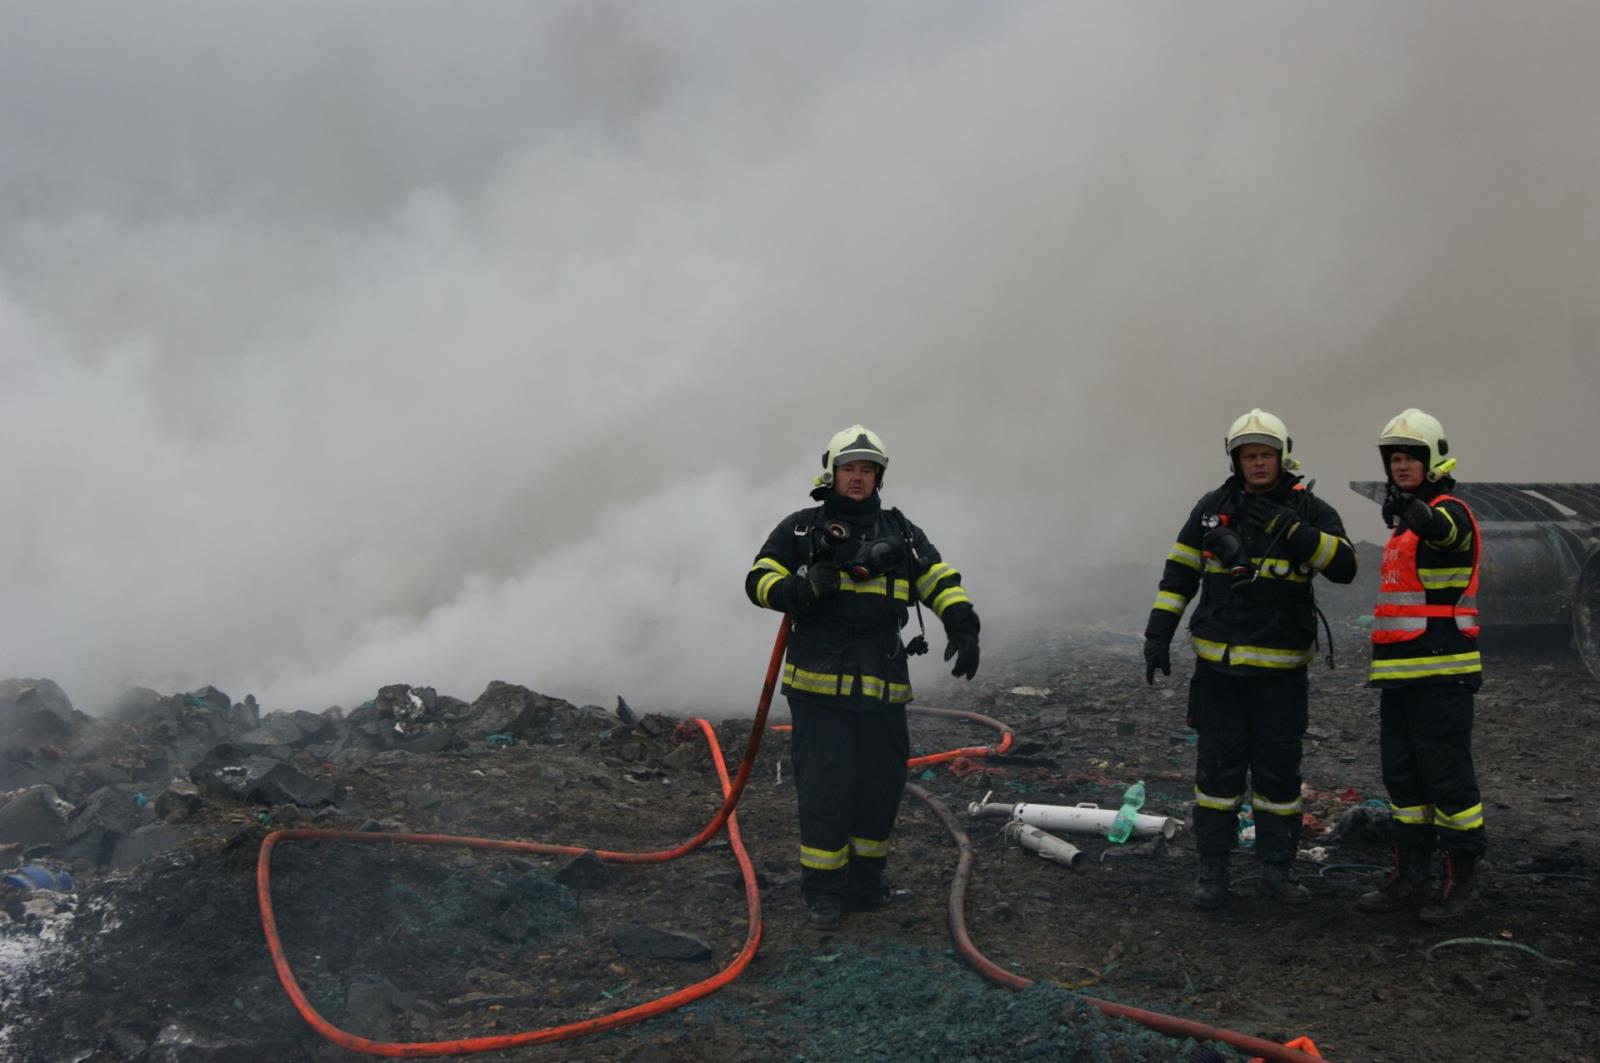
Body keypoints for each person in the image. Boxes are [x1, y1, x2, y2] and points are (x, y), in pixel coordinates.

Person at [746, 425, 979, 930]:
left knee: (880, 785)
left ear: (878, 477)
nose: (858, 478)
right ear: (832, 471)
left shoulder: (901, 532)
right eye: (850, 468)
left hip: (884, 682)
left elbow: (937, 578)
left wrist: (961, 622)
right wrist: (801, 587)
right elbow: (758, 579)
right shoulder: (803, 529)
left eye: (867, 470)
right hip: (818, 686)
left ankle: (867, 884)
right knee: (825, 789)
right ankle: (825, 893)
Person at [1143, 409, 1357, 910]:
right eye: (1248, 456)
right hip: (1220, 671)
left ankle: (1277, 870)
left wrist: (1297, 533)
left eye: (1265, 455)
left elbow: (1346, 567)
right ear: (1235, 460)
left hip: (1282, 675)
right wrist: (1158, 634)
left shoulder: (1310, 509)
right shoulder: (1210, 509)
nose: (1257, 464)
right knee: (1216, 776)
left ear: (1282, 456)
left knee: (1279, 777)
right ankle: (1212, 872)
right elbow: (1178, 576)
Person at [1356, 408, 1485, 924]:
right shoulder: (1402, 525)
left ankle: (1461, 884)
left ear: (1433, 461)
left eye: (1410, 457)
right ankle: (1409, 879)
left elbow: (1446, 531)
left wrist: (1420, 513)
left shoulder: (1448, 511)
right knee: (1404, 785)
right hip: (1400, 676)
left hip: (1441, 673)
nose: (1401, 465)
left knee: (1449, 783)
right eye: (1394, 459)